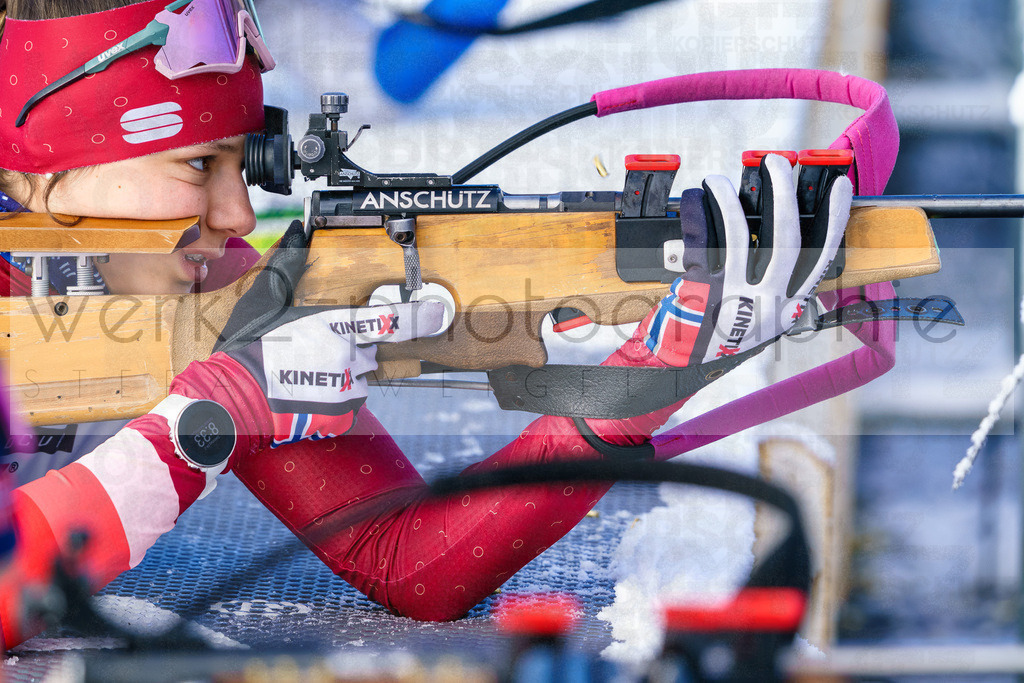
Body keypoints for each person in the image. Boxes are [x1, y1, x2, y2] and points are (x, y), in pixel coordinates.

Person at [0, 0, 851, 650]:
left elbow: (408, 562)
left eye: (243, 161)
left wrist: (662, 365)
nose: (240, 214)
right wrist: (207, 423)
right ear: (40, 171)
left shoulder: (206, 281)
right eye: (197, 165)